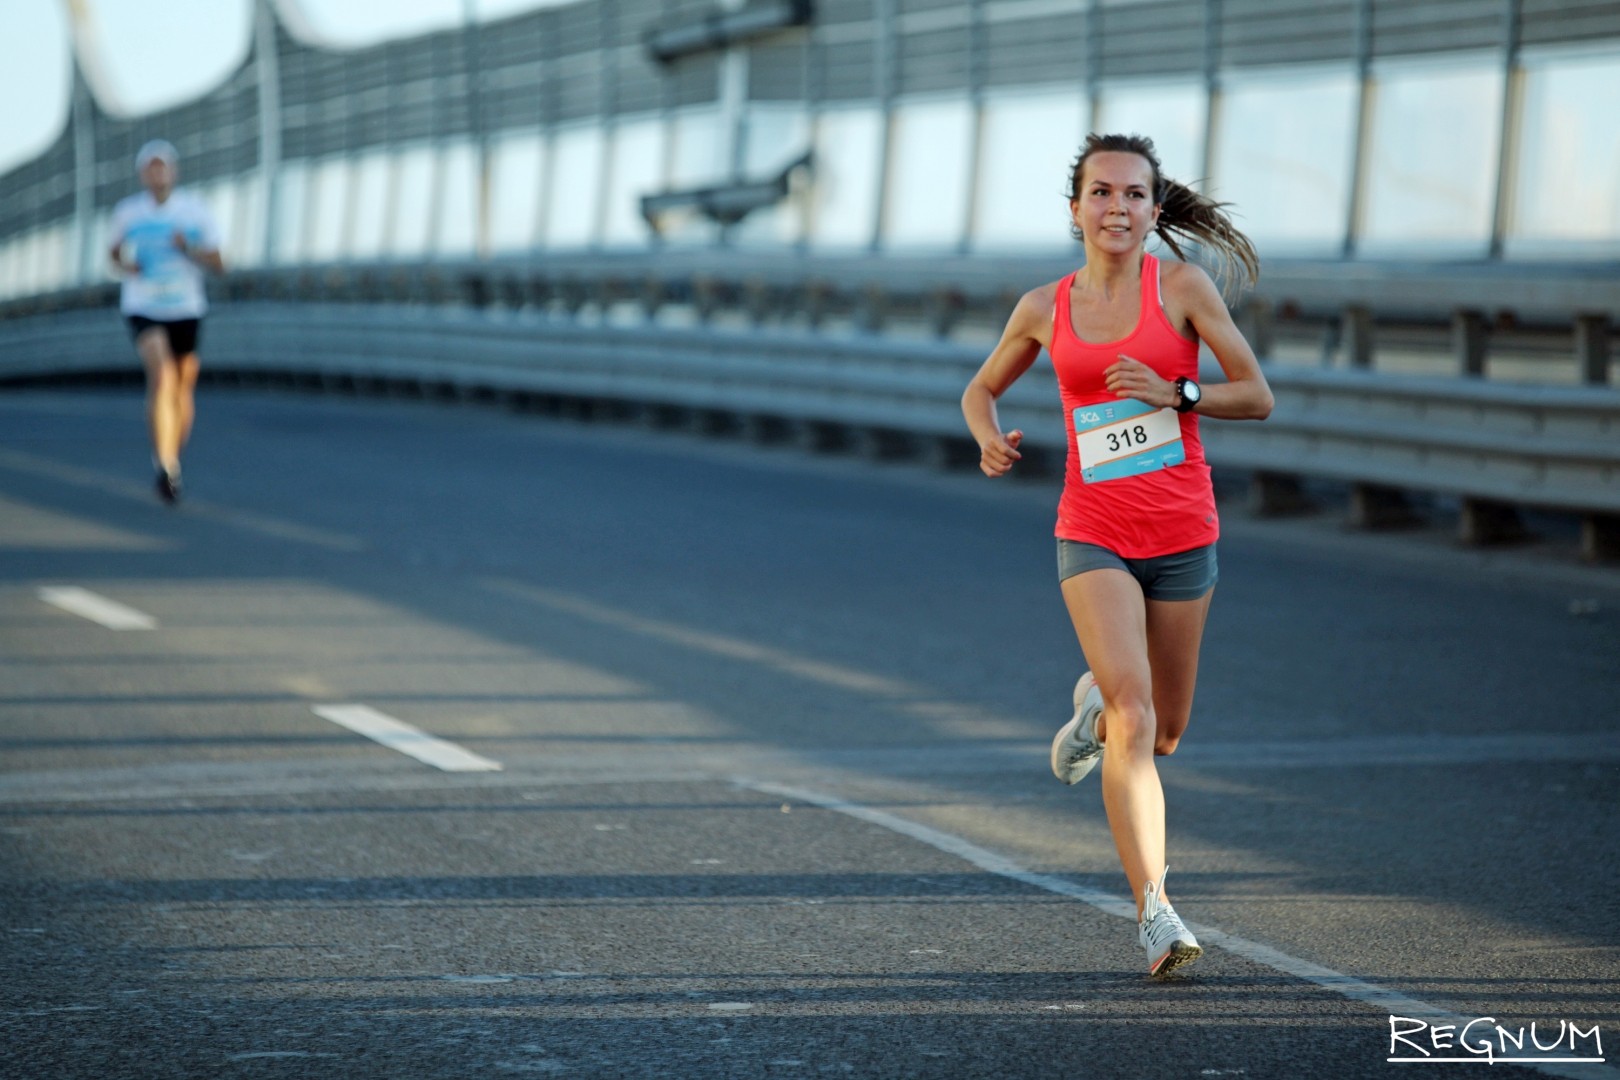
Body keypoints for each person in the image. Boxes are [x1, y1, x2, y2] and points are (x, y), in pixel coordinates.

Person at [961, 133, 1273, 977]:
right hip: (1092, 527)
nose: (1118, 208)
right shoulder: (1043, 306)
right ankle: (1156, 911)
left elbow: (1258, 394)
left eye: (1135, 195)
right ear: (1076, 210)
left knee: (1162, 732)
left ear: (1155, 210)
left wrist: (1179, 391)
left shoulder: (1184, 289)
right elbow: (979, 387)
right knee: (1140, 720)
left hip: (1184, 530)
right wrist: (989, 438)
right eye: (1102, 193)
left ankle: (1095, 704)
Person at [108, 139, 225, 505]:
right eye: (151, 167)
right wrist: (127, 266)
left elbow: (221, 264)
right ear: (143, 173)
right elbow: (113, 254)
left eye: (163, 166)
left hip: (186, 308)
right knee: (162, 376)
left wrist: (187, 248)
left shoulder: (194, 212)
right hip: (144, 305)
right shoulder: (129, 213)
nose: (157, 173)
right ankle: (165, 464)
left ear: (173, 171)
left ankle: (171, 452)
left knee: (181, 389)